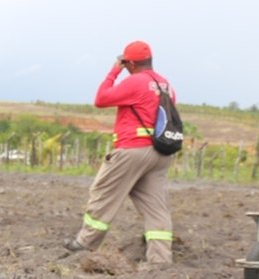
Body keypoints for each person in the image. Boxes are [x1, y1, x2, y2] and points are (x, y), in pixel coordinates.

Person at [63, 40, 176, 265]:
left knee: (103, 192)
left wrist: (115, 70)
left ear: (130, 63)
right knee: (156, 206)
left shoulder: (135, 82)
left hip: (133, 149)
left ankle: (85, 243)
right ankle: (160, 259)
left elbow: (101, 99)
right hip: (161, 153)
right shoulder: (165, 85)